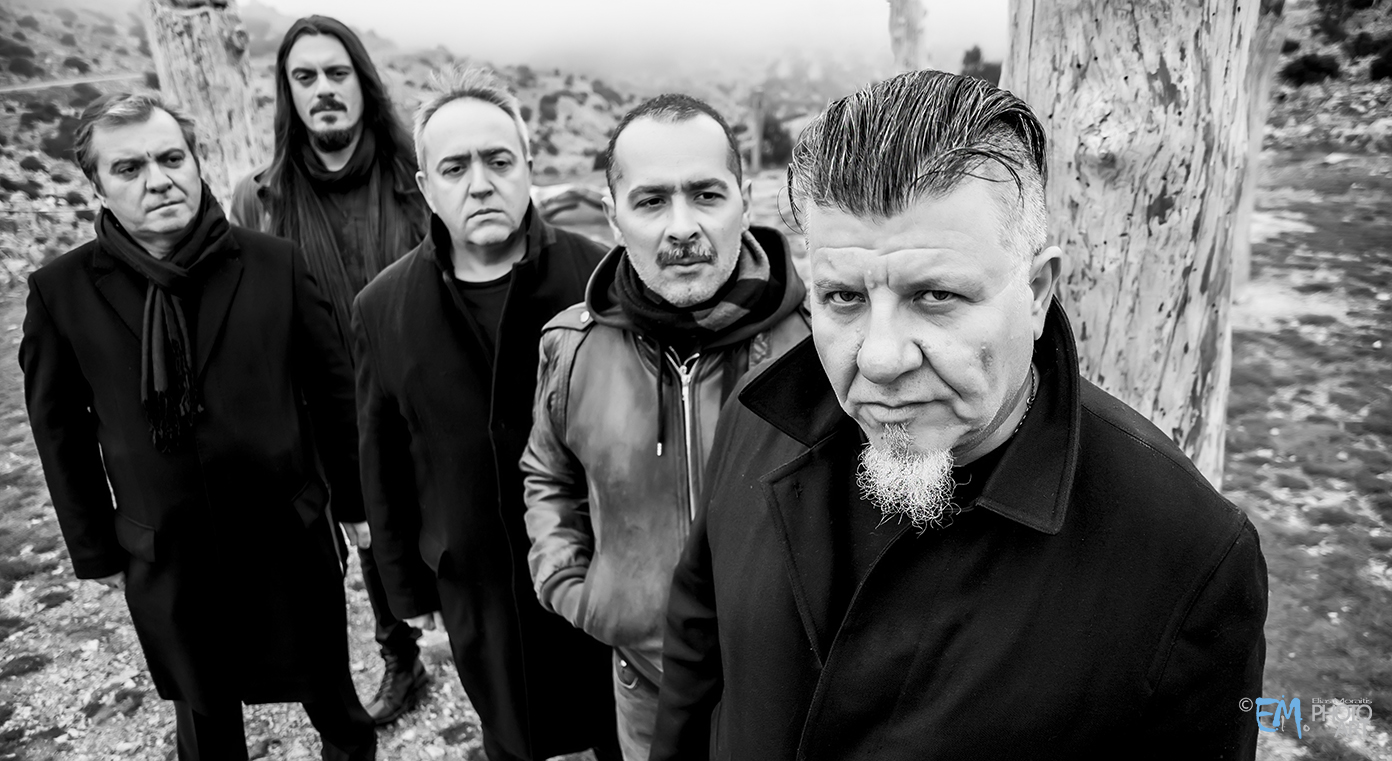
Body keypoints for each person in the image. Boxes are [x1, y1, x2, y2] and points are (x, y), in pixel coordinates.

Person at [649, 70, 1268, 760]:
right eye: (844, 297)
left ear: (1037, 292)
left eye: (935, 295)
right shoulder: (756, 417)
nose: (880, 357)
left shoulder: (1186, 553)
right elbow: (696, 648)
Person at [20, 92, 375, 760]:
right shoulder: (60, 292)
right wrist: (95, 550)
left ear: (195, 161)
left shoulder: (274, 263)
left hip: (287, 538)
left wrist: (355, 505)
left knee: (337, 708)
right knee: (206, 723)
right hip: (169, 556)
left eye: (171, 157)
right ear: (97, 186)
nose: (158, 179)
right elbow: (60, 432)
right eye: (129, 168)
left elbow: (335, 394)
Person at [519, 93, 810, 761]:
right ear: (613, 215)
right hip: (645, 686)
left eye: (706, 194)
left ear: (744, 200)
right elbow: (547, 473)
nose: (682, 227)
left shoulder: (818, 345)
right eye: (651, 201)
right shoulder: (572, 347)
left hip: (791, 692)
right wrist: (577, 588)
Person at [352, 67, 618, 761]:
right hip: (476, 582)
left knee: (617, 728)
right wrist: (408, 589)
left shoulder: (603, 278)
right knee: (509, 731)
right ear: (426, 186)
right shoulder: (381, 308)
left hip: (598, 567)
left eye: (499, 161)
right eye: (455, 167)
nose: (480, 183)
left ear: (528, 166)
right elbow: (382, 460)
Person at [230, 18, 431, 723]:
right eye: (305, 76)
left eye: (337, 73)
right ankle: (401, 655)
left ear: (363, 83)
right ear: (287, 93)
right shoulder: (259, 199)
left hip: (424, 392)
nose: (323, 89)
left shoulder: (417, 180)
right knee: (368, 533)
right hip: (330, 410)